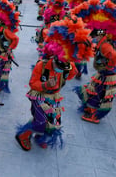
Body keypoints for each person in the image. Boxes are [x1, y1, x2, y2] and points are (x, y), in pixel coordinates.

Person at [16, 17, 93, 151]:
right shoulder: (42, 65)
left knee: (54, 122)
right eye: (59, 63)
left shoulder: (67, 66)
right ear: (55, 56)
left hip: (54, 97)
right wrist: (45, 85)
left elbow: (70, 75)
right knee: (40, 120)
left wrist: (72, 61)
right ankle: (23, 135)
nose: (61, 67)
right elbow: (33, 84)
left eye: (65, 64)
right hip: (39, 96)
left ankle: (40, 137)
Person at [72, 0, 116, 123]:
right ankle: (89, 109)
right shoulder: (102, 40)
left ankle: (93, 114)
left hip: (107, 74)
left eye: (96, 35)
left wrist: (107, 66)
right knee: (92, 89)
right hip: (103, 72)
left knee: (98, 93)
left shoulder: (106, 45)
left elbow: (114, 57)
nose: (94, 37)